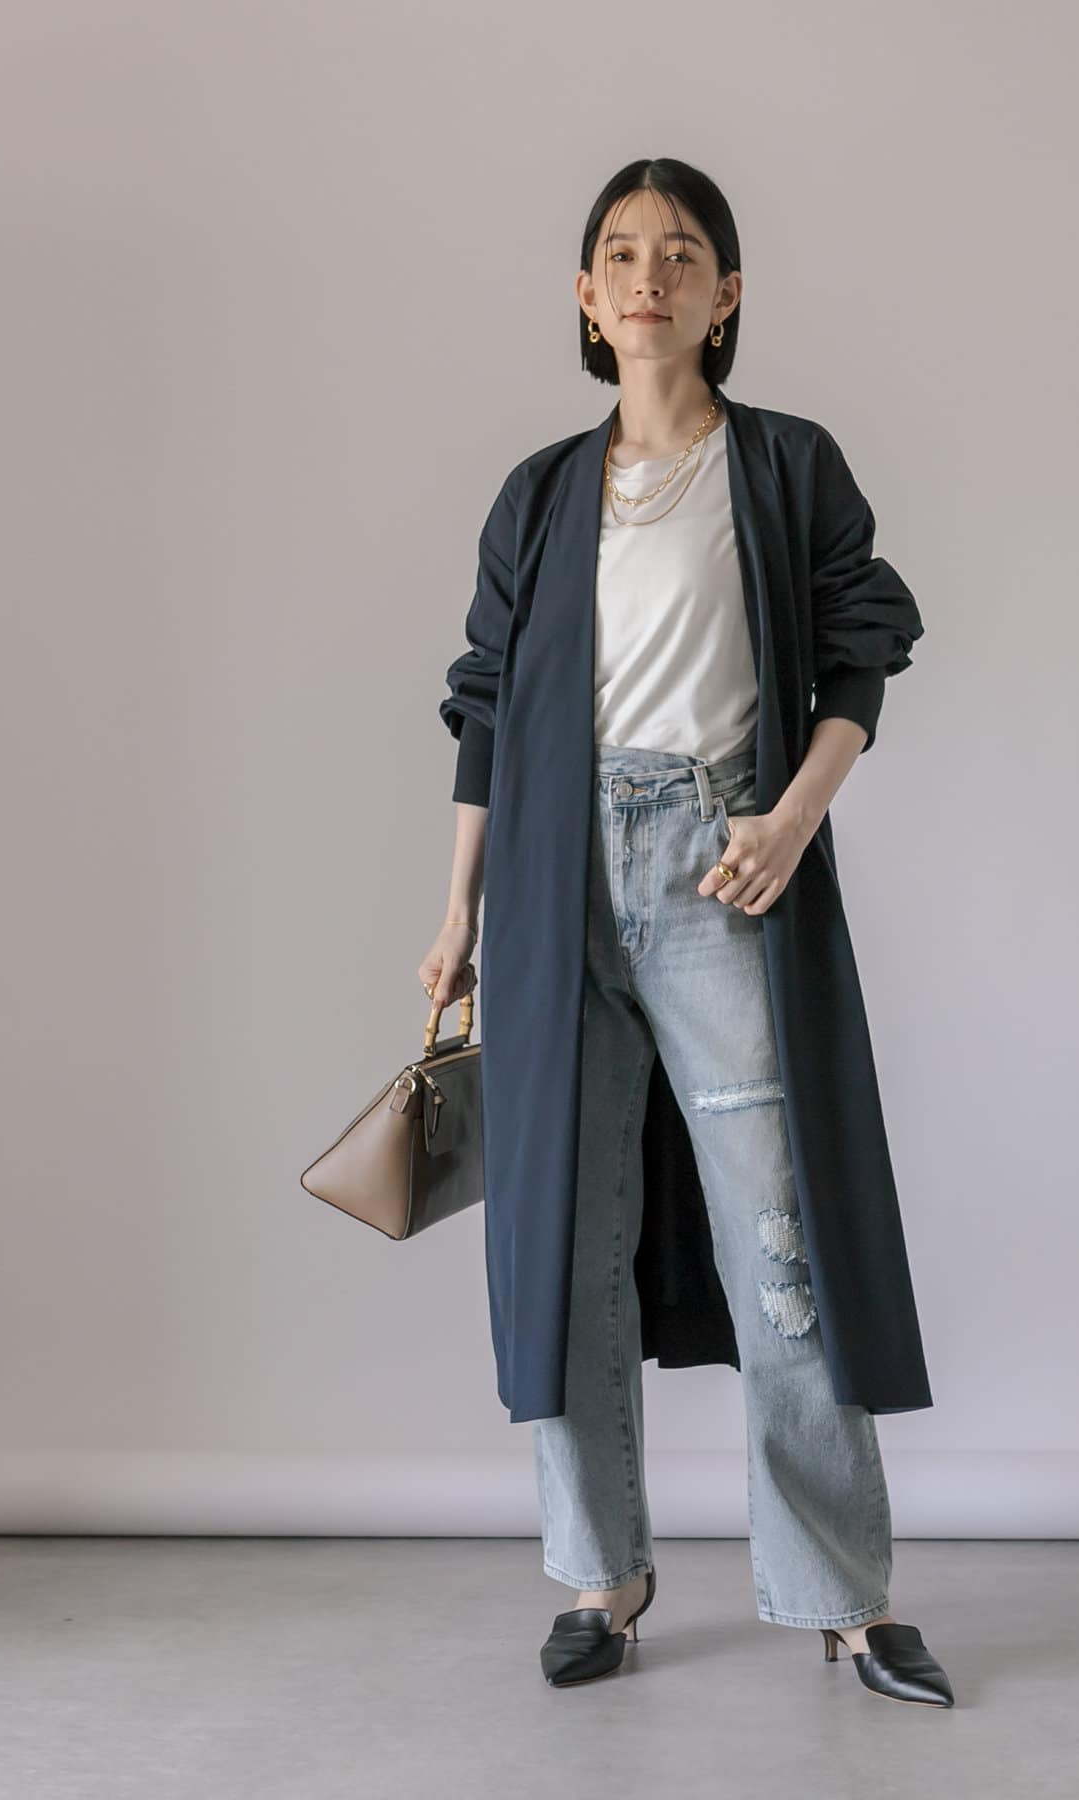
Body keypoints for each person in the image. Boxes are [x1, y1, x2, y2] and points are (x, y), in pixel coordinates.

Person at [419, 158, 952, 1708]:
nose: (647, 275)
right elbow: (483, 711)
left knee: (781, 1239)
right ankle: (604, 1576)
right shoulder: (538, 494)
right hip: (550, 886)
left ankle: (842, 1596)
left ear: (726, 296)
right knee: (566, 1241)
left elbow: (861, 653)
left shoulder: (784, 465)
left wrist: (790, 817)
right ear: (585, 297)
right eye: (620, 252)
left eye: (680, 253)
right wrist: (455, 915)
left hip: (722, 863)